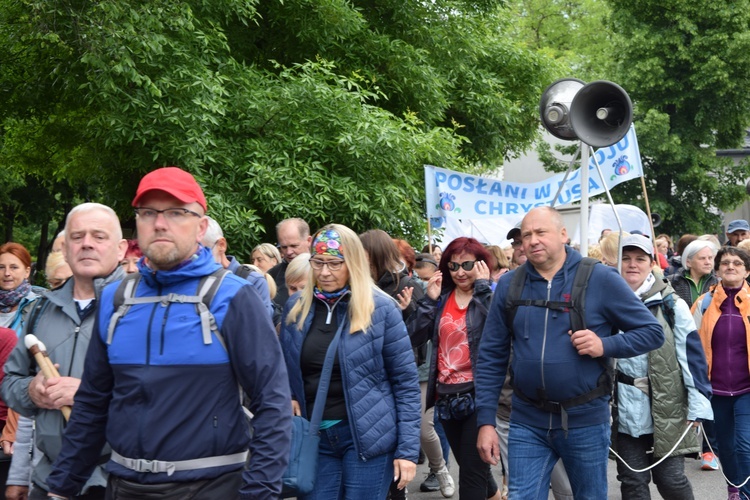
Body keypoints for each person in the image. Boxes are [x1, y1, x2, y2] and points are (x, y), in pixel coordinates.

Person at [42, 167, 292, 499]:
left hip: (210, 486)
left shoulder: (232, 297)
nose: (160, 223)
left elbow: (273, 404)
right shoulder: (116, 300)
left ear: (201, 226)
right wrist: (61, 488)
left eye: (176, 212)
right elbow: (92, 404)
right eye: (149, 213)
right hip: (124, 485)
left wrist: (259, 493)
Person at [475, 206, 664, 499]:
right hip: (526, 419)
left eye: (541, 232)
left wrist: (605, 345)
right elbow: (491, 356)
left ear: (563, 234)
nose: (533, 240)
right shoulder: (510, 285)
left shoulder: (600, 278)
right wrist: (486, 421)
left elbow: (652, 333)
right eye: (527, 235)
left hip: (585, 420)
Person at [280, 224, 420, 499]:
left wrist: (407, 451)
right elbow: (282, 366)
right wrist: (288, 393)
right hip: (314, 437)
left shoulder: (381, 309)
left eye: (334, 263)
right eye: (317, 262)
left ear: (353, 262)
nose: (324, 272)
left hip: (368, 439)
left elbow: (405, 383)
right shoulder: (296, 308)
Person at [2, 202, 128, 500]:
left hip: (116, 483)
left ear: (121, 248)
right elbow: (10, 382)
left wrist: (87, 395)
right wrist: (31, 391)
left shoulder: (141, 308)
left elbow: (163, 399)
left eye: (99, 236)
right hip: (49, 480)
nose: (86, 244)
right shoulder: (40, 309)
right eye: (77, 237)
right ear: (65, 247)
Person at [613, 235, 712, 499]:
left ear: (651, 263)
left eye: (640, 259)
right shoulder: (605, 301)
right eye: (626, 258)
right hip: (622, 408)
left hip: (667, 404)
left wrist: (698, 401)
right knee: (632, 480)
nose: (632, 264)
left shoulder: (671, 304)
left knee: (670, 479)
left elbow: (691, 356)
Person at [408, 237, 500, 499]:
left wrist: (482, 288)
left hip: (478, 395)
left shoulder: (491, 294)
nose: (460, 272)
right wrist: (428, 300)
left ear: (481, 264)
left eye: (467, 264)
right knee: (476, 469)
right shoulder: (441, 298)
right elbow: (413, 337)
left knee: (471, 476)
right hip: (447, 397)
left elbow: (501, 330)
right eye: (453, 266)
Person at [692, 246, 750, 500]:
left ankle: (746, 494)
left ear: (747, 270)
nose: (730, 267)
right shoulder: (703, 304)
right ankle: (733, 489)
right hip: (714, 389)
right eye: (725, 263)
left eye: (737, 263)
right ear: (716, 270)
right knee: (725, 448)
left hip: (746, 389)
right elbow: (689, 345)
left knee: (745, 446)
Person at [201, 215, 274, 318]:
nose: (194, 261)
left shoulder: (253, 281)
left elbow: (260, 330)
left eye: (201, 253)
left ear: (221, 245)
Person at [269, 218, 313, 311]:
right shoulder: (273, 275)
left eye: (294, 246)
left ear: (309, 241)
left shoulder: (324, 273)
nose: (288, 252)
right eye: (284, 247)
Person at [0, 243, 39, 333]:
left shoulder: (37, 307)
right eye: (1, 267)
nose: (7, 273)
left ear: (27, 272)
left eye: (14, 267)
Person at [668, 239, 719, 307]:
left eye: (710, 258)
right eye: (702, 258)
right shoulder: (672, 282)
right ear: (688, 262)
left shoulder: (719, 283)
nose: (708, 262)